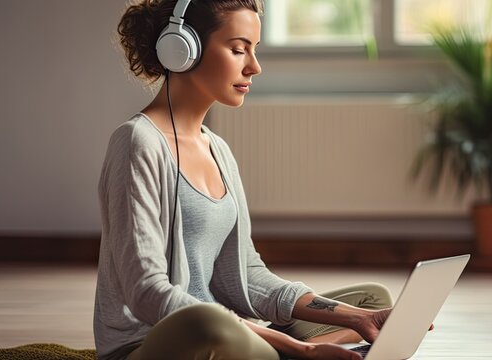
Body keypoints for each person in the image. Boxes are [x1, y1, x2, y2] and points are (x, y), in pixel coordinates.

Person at [94, 0, 394, 359]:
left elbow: (246, 276)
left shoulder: (217, 150)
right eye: (238, 49)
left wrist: (359, 318)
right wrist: (297, 347)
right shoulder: (136, 143)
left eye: (254, 50)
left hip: (228, 334)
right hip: (164, 342)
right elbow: (146, 292)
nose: (254, 67)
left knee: (372, 299)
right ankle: (296, 354)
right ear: (182, 50)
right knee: (210, 325)